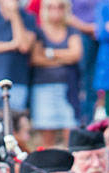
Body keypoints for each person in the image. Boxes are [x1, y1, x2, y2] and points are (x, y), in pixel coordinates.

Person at [29, 0, 82, 148]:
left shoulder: (71, 31)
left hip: (68, 89)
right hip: (44, 88)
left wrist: (50, 53)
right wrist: (64, 58)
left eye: (60, 7)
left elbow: (76, 54)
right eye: (51, 7)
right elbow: (36, 58)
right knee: (47, 136)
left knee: (71, 135)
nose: (56, 11)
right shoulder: (39, 32)